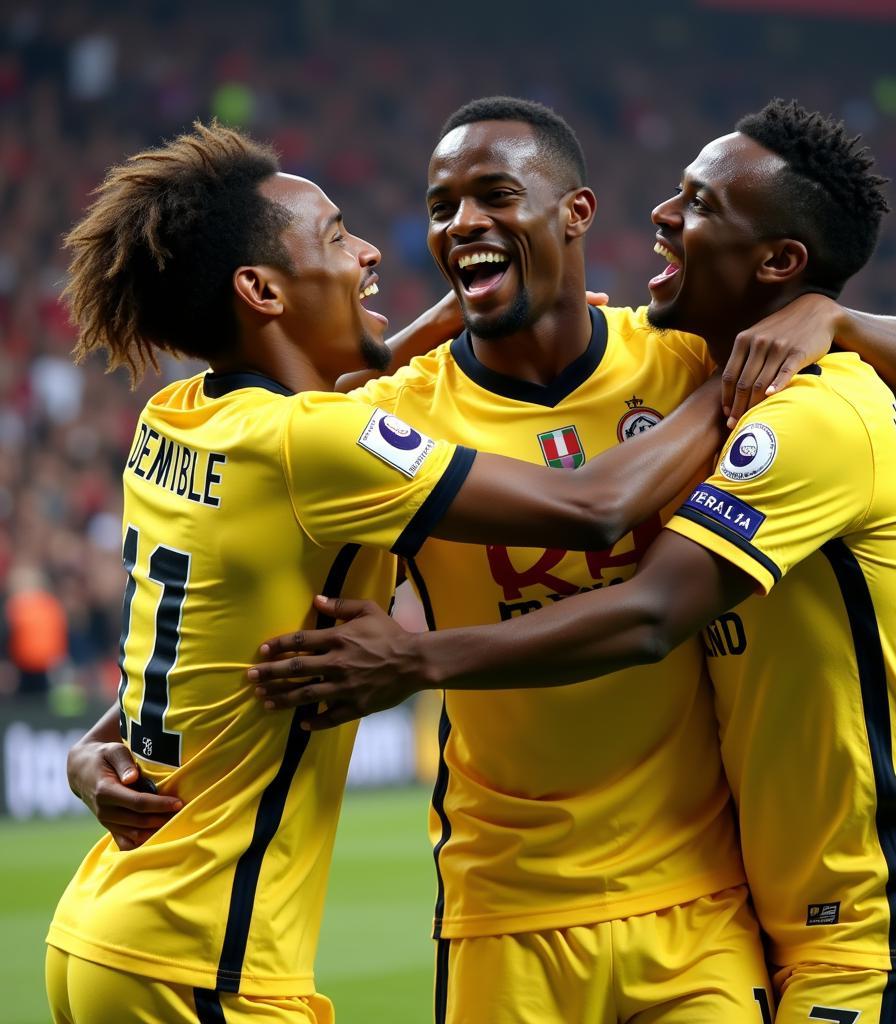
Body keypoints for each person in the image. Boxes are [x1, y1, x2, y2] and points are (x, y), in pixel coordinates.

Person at [251, 100, 896, 1024]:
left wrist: (829, 317)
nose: (462, 223)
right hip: (506, 897)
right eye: (441, 205)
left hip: (707, 897)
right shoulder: (396, 416)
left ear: (574, 213)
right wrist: (119, 733)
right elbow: (255, 574)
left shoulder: (695, 360)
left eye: (494, 194)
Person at [45, 119, 781, 1024]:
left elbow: (209, 631)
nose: (368, 253)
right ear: (262, 289)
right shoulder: (329, 440)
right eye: (336, 237)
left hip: (115, 927)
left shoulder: (178, 415)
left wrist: (98, 738)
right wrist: (741, 378)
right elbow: (595, 508)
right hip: (216, 955)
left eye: (493, 199)